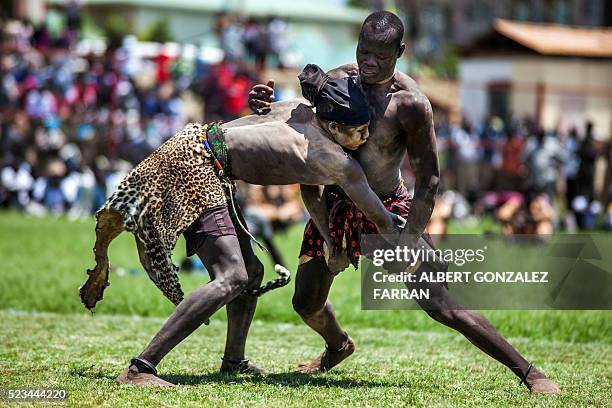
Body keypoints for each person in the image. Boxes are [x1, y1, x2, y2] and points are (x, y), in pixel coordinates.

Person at [248, 11, 560, 395]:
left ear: (400, 52)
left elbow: (429, 178)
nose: (369, 62)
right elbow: (298, 122)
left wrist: (409, 238)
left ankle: (530, 373)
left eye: (380, 55)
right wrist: (264, 104)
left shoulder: (411, 104)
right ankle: (338, 345)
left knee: (440, 303)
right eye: (364, 51)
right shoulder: (340, 80)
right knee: (306, 302)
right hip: (336, 203)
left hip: (387, 209)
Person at [80, 64, 405, 386]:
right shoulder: (335, 160)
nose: (365, 138)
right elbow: (378, 214)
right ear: (334, 126)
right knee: (232, 276)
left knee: (250, 271)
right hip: (198, 165)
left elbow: (308, 186)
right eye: (359, 131)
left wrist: (329, 239)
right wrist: (399, 227)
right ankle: (140, 368)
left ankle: (234, 360)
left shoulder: (299, 111)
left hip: (198, 151)